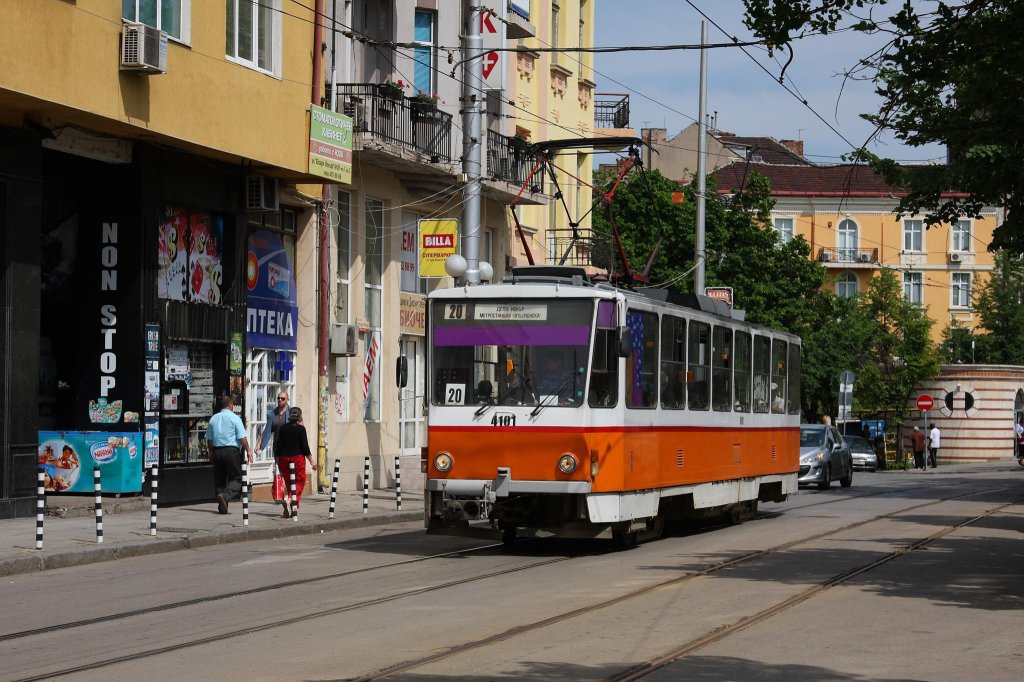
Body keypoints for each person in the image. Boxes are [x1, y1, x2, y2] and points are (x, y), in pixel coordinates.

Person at [205, 394, 253, 514]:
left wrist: (210, 452)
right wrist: (248, 450)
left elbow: (209, 439)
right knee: (238, 478)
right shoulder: (235, 418)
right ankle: (225, 496)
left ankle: (222, 507)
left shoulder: (213, 418)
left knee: (220, 479)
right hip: (231, 451)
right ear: (231, 405)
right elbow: (242, 437)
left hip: (217, 451)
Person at [274, 406, 318, 517]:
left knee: (289, 483)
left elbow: (278, 446)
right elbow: (305, 447)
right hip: (297, 458)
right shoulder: (301, 429)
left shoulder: (283, 428)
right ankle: (289, 499)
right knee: (300, 481)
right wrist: (312, 461)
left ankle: (291, 508)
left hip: (284, 458)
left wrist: (278, 461)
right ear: (299, 417)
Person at [256, 390, 291, 456]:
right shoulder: (273, 413)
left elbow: (300, 429)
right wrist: (259, 444)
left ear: (287, 400)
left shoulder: (292, 413)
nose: (280, 400)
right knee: (280, 466)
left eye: (283, 399)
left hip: (289, 447)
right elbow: (267, 431)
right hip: (277, 446)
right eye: (278, 398)